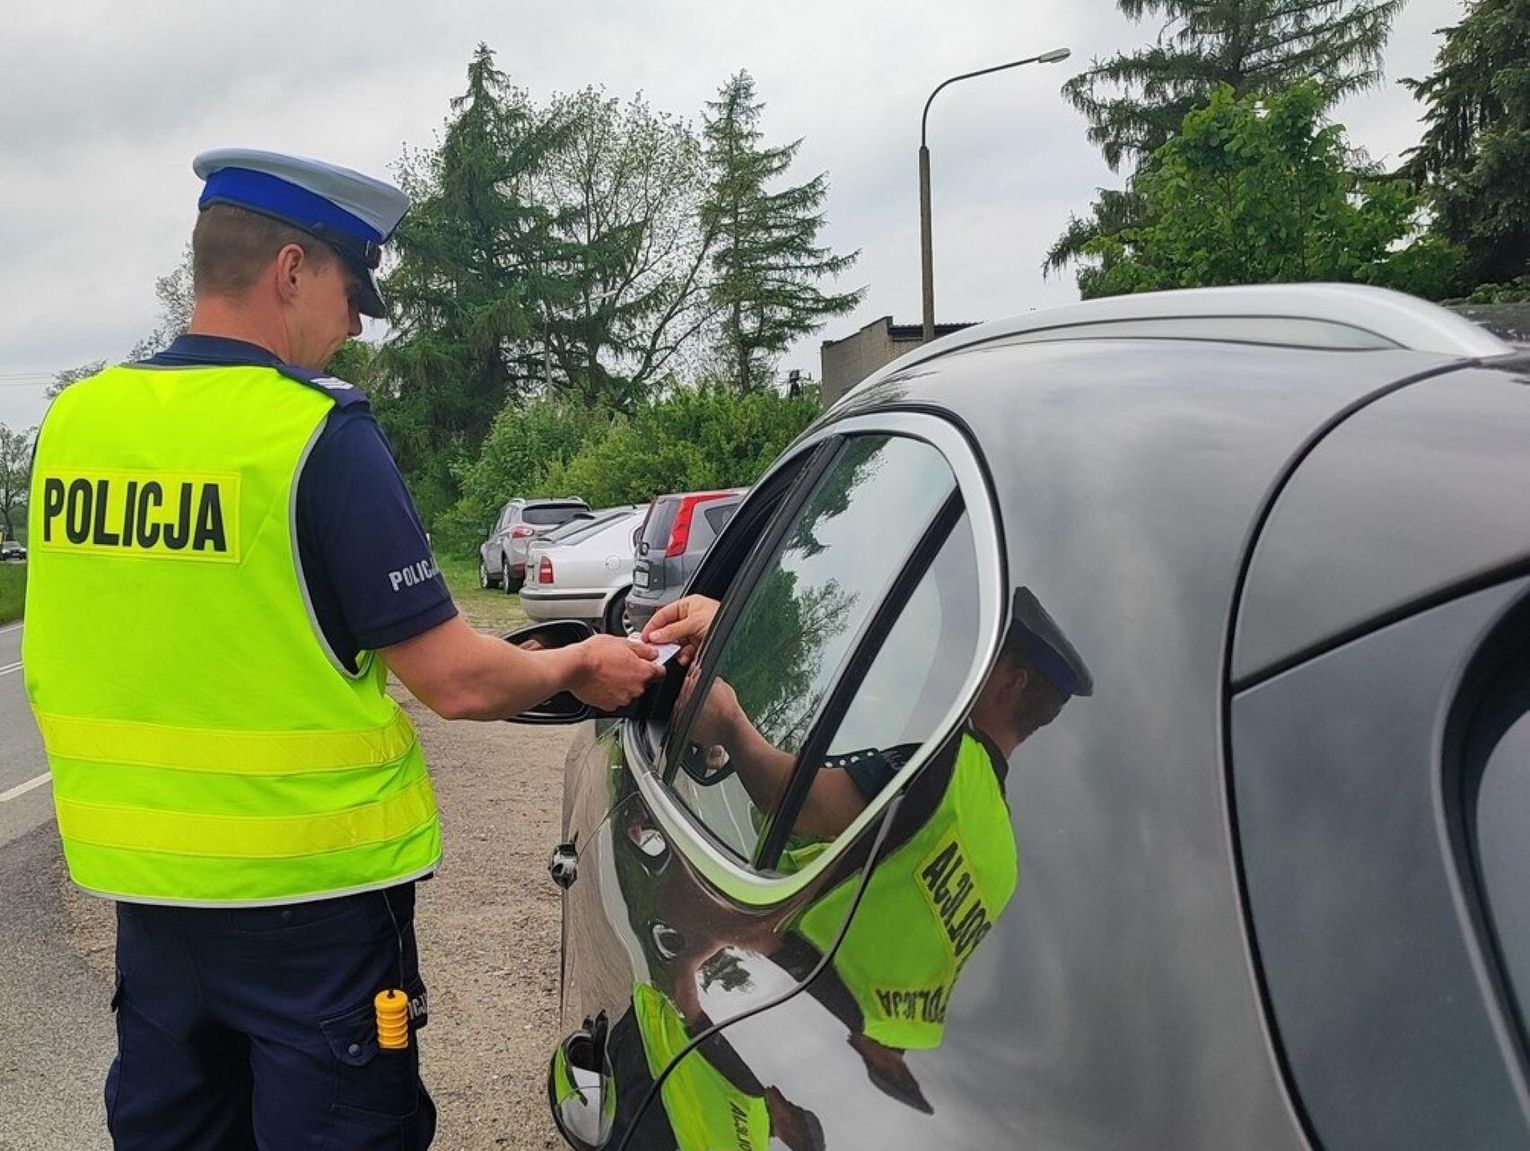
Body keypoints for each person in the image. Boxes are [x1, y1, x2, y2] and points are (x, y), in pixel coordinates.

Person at [22, 148, 664, 1151]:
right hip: (311, 914)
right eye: (350, 289)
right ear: (289, 269)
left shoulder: (76, 423)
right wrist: (574, 665)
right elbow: (451, 676)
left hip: (149, 902)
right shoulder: (316, 433)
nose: (356, 323)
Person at [646, 587, 1091, 1113]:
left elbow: (800, 805)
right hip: (874, 1050)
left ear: (1011, 683)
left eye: (989, 657)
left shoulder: (943, 765)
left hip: (792, 997)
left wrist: (731, 726)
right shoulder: (1006, 855)